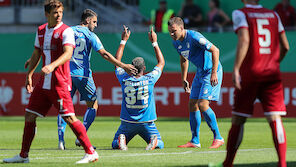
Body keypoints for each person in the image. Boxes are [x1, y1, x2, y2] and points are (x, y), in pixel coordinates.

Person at [3, 0, 98, 164]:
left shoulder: (66, 31)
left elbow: (68, 53)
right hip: (43, 83)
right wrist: (29, 75)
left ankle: (90, 152)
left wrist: (52, 65)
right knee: (30, 115)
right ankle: (23, 155)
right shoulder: (40, 31)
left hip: (59, 82)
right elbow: (36, 54)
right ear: (47, 14)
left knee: (69, 117)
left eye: (60, 12)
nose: (59, 15)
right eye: (55, 12)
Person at [209, 0, 290, 166]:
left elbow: (244, 40)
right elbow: (286, 46)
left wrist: (237, 69)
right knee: (275, 118)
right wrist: (274, 62)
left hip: (250, 73)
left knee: (238, 118)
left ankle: (228, 163)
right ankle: (282, 163)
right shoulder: (274, 15)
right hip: (271, 74)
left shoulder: (241, 13)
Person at [56, 9, 137, 150]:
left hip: (66, 74)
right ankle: (80, 137)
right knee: (93, 105)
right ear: (87, 20)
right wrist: (123, 65)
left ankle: (61, 141)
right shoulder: (90, 35)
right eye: (94, 22)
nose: (96, 25)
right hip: (83, 75)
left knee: (64, 107)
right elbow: (104, 54)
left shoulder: (67, 31)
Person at [168, 17, 224, 149]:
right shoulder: (176, 42)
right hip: (200, 72)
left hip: (211, 70)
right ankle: (195, 140)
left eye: (174, 31)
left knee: (203, 104)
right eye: (170, 32)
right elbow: (183, 59)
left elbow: (215, 50)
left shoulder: (194, 37)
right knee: (192, 104)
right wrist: (184, 78)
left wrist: (214, 73)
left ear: (182, 28)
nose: (171, 34)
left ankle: (218, 137)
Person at [111, 26, 165, 151]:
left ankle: (122, 139)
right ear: (144, 68)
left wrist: (123, 40)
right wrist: (154, 42)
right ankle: (153, 140)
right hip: (147, 123)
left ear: (131, 67)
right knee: (160, 144)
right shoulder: (150, 79)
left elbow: (116, 62)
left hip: (127, 123)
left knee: (115, 143)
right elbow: (161, 62)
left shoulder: (124, 79)